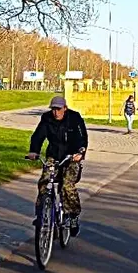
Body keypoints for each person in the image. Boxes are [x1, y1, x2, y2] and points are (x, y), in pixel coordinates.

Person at [28, 96, 88, 235]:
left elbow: (82, 137)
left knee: (67, 185)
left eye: (58, 109)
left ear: (65, 108)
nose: (56, 112)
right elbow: (38, 135)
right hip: (54, 156)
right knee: (44, 181)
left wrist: (80, 152)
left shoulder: (74, 118)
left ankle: (73, 215)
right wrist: (34, 151)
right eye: (53, 109)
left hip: (72, 157)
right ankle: (41, 215)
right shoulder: (47, 118)